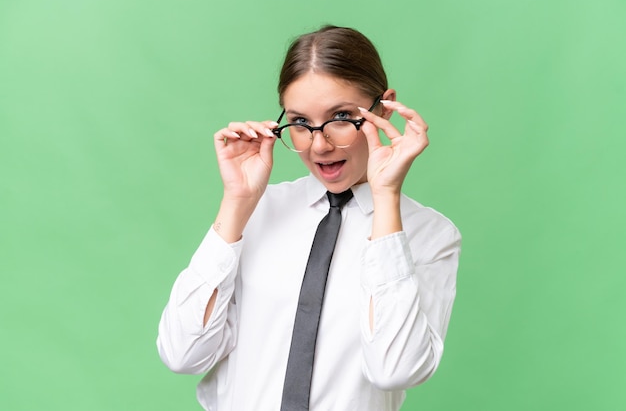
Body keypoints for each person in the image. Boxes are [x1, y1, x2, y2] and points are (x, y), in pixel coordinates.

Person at [157, 25, 461, 411]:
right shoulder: (257, 211)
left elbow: (394, 370)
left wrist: (386, 198)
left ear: (384, 108)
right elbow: (182, 354)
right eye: (300, 122)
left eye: (341, 117)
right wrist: (237, 202)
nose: (319, 145)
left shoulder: (430, 235)